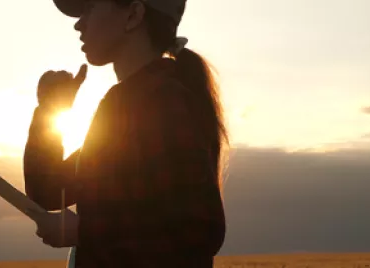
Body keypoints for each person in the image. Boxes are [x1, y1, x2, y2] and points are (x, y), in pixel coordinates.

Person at [22, 0, 228, 267]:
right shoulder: (125, 106)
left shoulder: (162, 103)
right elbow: (48, 191)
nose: (79, 23)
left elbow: (197, 233)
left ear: (133, 14)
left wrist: (83, 233)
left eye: (91, 8)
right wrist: (50, 110)